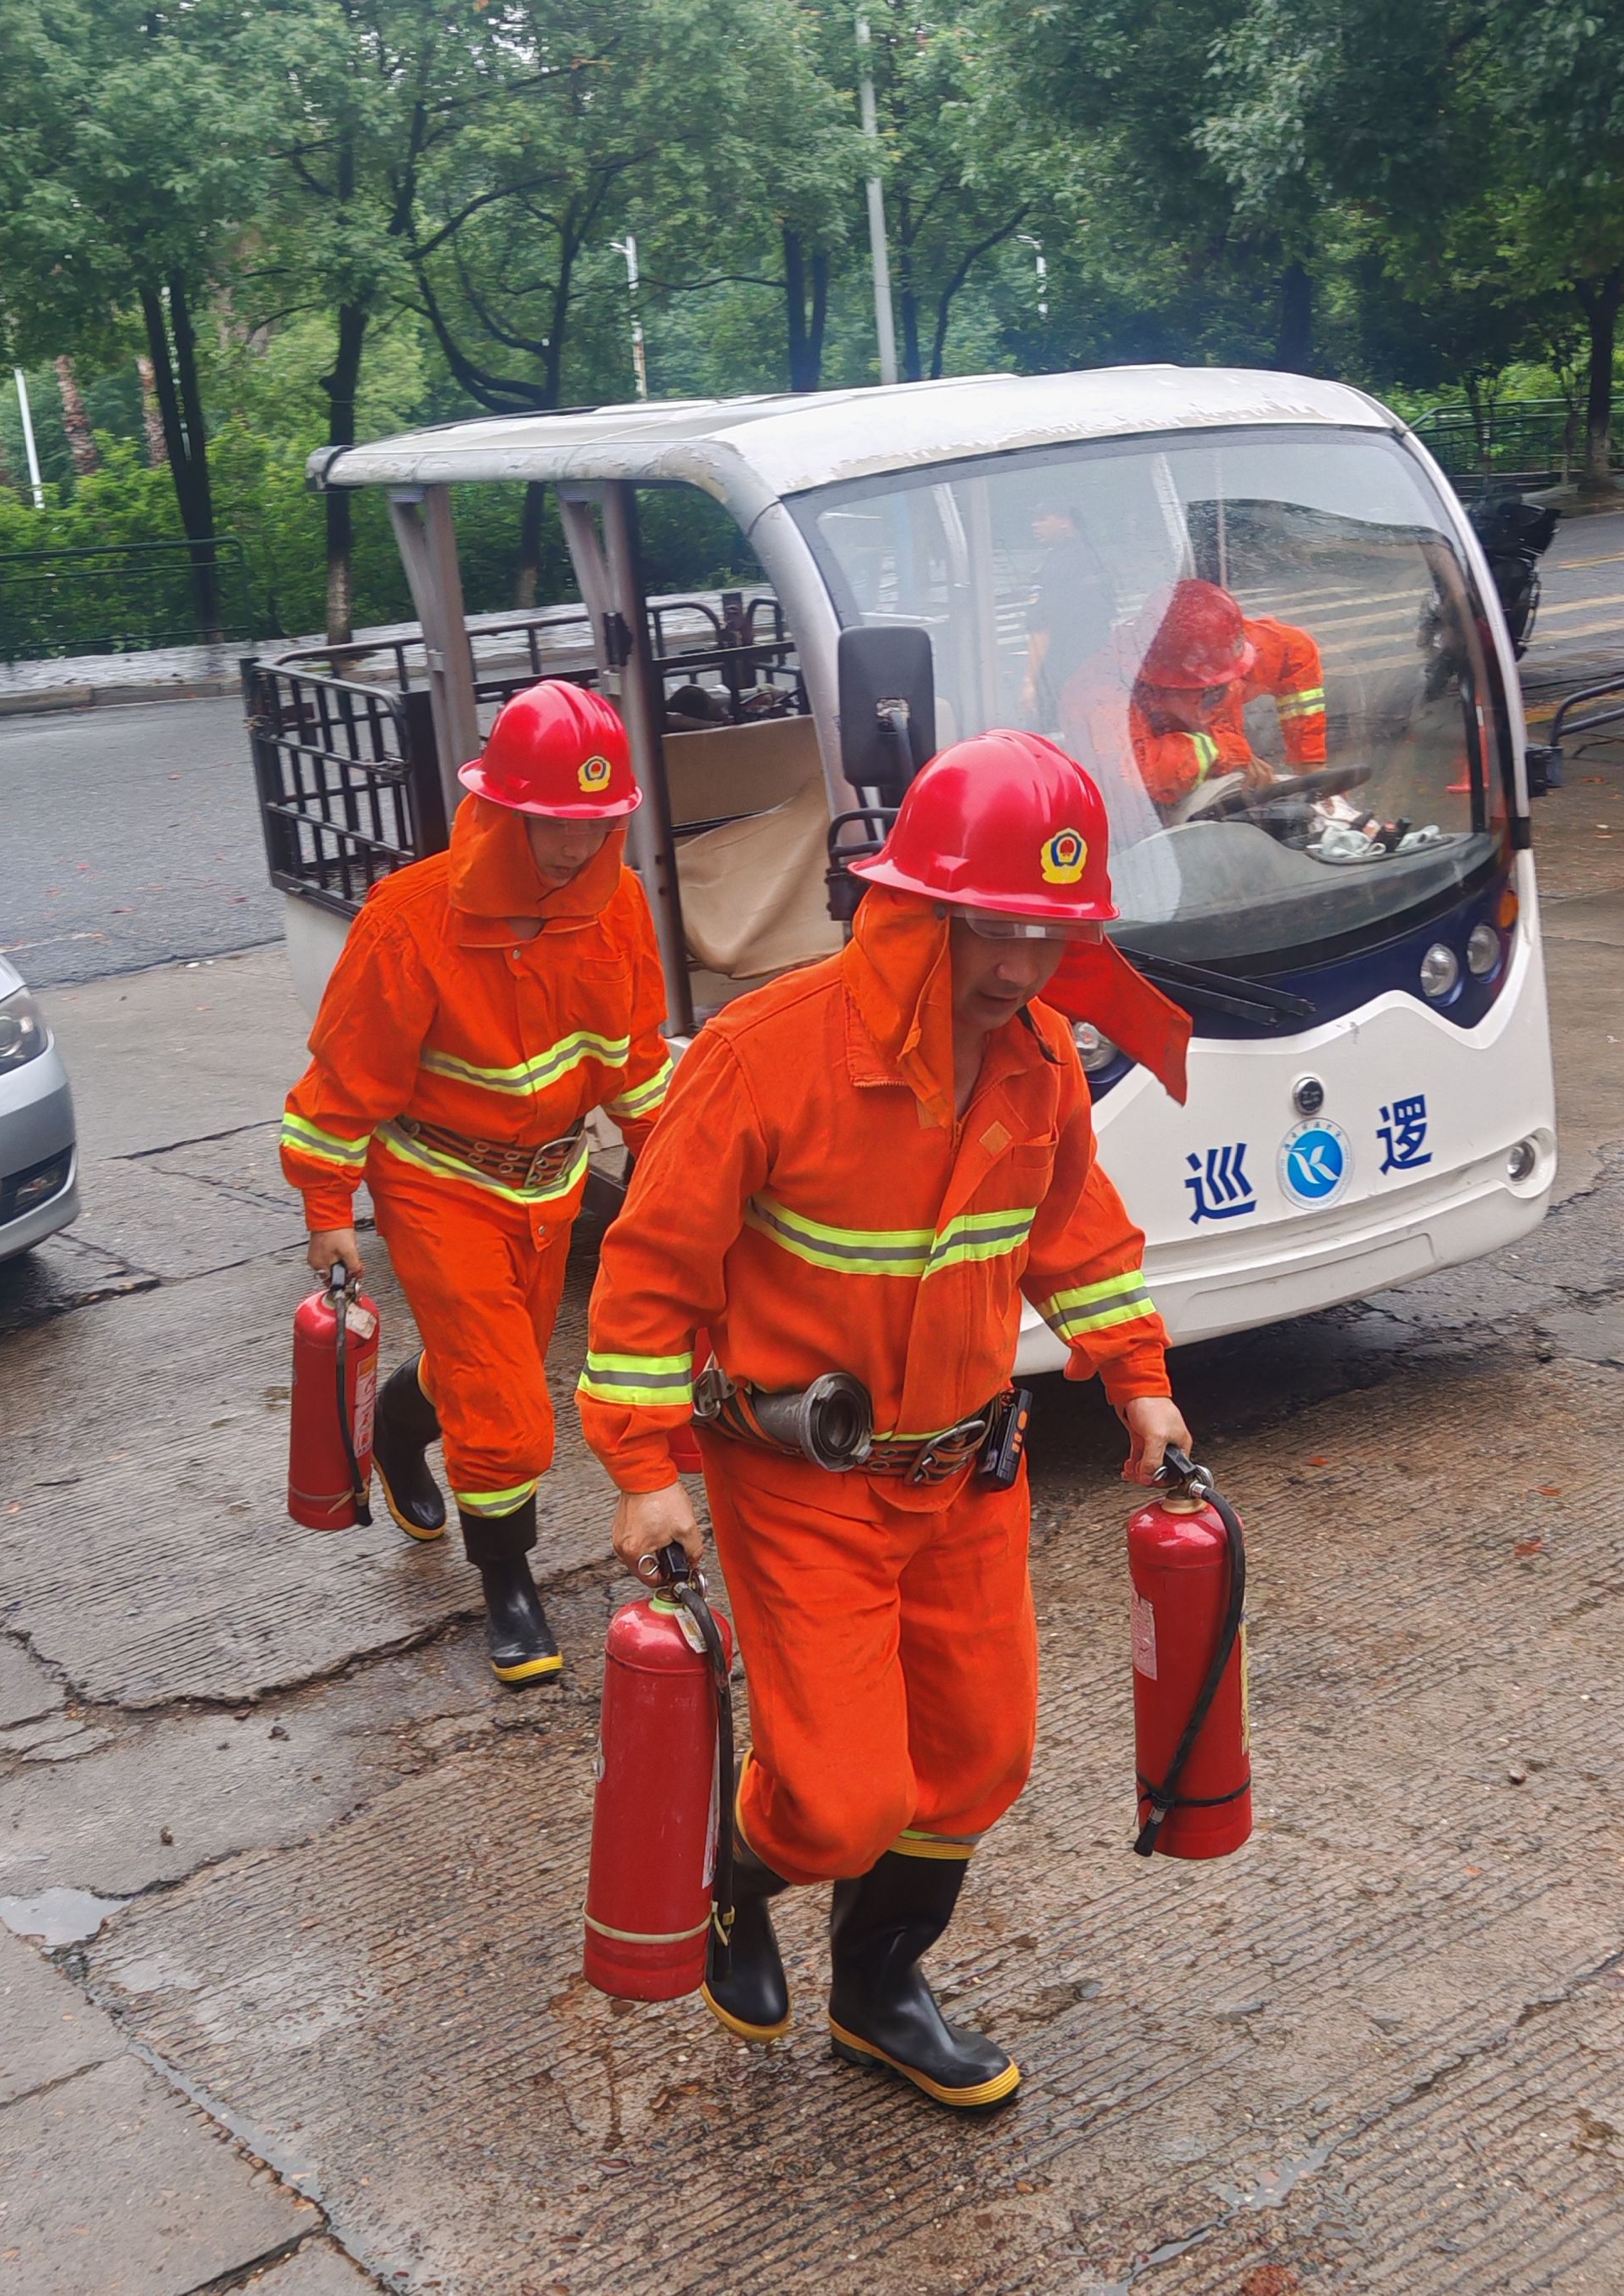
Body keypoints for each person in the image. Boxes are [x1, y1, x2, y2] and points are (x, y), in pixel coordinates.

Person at [576, 732, 1191, 2110]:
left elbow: (1073, 1234)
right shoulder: (765, 1055)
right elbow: (651, 1268)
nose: (1020, 967)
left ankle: (878, 1988)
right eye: (993, 928)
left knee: (980, 1755)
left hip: (967, 1473)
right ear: (915, 908)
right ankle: (738, 1872)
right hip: (802, 1481)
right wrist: (641, 1466)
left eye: (1047, 933)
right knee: (844, 1797)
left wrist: (1136, 1376)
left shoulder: (1035, 1058)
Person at [280, 680, 672, 1687]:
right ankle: (507, 1582)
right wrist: (327, 1207)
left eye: (595, 824)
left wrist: (682, 1169)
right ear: (500, 808)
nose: (575, 846)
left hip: (553, 1183)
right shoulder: (410, 919)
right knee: (504, 1399)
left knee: (485, 1367)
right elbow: (342, 1079)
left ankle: (397, 1433)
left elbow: (636, 1062)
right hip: (437, 1183)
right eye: (553, 822)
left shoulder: (620, 905)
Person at [1065, 576, 1327, 816]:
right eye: (1200, 690)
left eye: (1218, 689)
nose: (1210, 698)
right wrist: (1224, 752)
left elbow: (1297, 653)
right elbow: (1136, 775)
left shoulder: (1225, 646)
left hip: (1218, 796)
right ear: (1160, 683)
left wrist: (1310, 763)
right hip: (1138, 823)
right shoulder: (1099, 693)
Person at [1020, 501, 1114, 731]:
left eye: (1043, 518)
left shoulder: (1057, 565)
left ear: (1065, 521)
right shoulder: (1094, 557)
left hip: (1059, 676)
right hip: (1096, 670)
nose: (1035, 525)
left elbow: (1042, 627)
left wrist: (1029, 682)